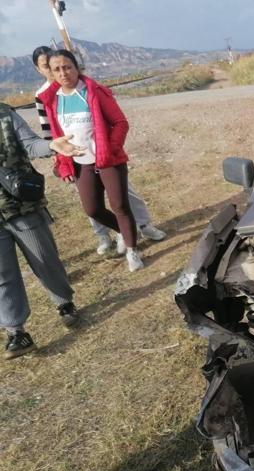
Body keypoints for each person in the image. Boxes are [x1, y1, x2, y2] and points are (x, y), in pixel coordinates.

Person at [32, 46, 165, 257]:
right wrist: (60, 160)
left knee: (123, 199)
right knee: (92, 206)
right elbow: (51, 134)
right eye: (51, 68)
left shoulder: (90, 89)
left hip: (107, 158)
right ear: (42, 69)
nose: (58, 72)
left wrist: (110, 149)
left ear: (75, 67)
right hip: (79, 161)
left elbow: (119, 122)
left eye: (65, 67)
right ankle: (113, 234)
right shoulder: (45, 97)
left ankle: (140, 230)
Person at [0, 101, 83, 358]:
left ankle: (64, 302)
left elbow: (30, 143)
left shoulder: (5, 115)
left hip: (20, 204)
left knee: (44, 259)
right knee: (2, 275)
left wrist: (51, 145)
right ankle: (16, 331)